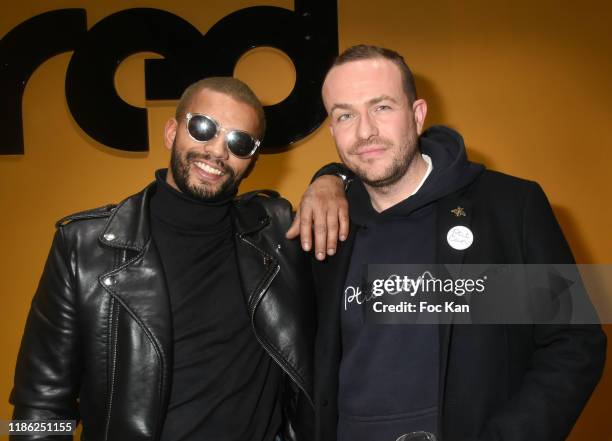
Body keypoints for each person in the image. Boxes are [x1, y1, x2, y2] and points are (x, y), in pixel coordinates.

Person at [10, 76, 346, 441]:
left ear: (251, 161)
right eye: (203, 128)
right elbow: (39, 405)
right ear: (171, 132)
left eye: (239, 142)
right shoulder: (84, 247)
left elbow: (383, 167)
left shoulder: (278, 233)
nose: (218, 151)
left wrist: (333, 177)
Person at [305, 45, 607, 441]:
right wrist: (328, 178)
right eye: (345, 115)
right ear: (332, 130)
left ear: (417, 115)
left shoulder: (507, 208)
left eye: (381, 107)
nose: (364, 132)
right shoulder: (328, 227)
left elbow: (574, 344)